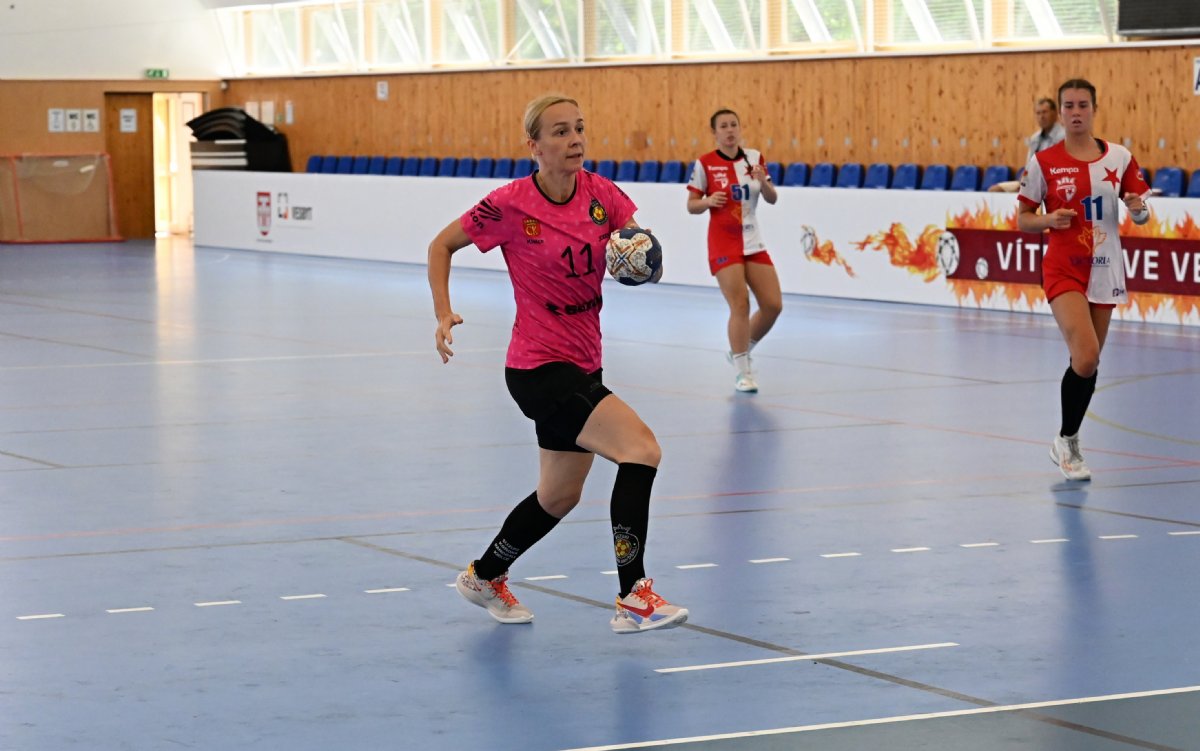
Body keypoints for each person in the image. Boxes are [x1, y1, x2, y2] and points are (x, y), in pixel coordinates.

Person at [427, 93, 688, 633]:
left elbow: (638, 249)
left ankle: (484, 575)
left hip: (585, 361)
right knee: (641, 450)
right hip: (538, 368)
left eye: (579, 129)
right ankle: (633, 595)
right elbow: (441, 246)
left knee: (558, 496)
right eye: (561, 132)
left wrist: (646, 264)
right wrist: (443, 312)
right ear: (535, 145)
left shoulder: (602, 194)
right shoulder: (509, 204)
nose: (575, 140)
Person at [1016, 78, 1150, 481]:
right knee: (1087, 354)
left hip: (1105, 268)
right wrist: (1048, 219)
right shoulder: (1043, 161)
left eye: (1083, 105)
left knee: (1086, 364)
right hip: (1064, 267)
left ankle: (1066, 439)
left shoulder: (1120, 157)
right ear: (1061, 112)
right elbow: (1023, 219)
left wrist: (1137, 209)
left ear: (1094, 109)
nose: (1076, 112)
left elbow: (1142, 213)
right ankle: (1069, 444)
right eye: (1069, 106)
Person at [686, 108, 781, 393]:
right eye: (723, 126)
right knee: (740, 304)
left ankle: (739, 349)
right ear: (714, 132)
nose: (729, 130)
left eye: (733, 125)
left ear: (740, 128)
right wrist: (707, 202)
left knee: (773, 305)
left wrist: (763, 180)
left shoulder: (754, 158)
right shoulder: (705, 163)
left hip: (753, 241)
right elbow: (691, 205)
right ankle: (743, 371)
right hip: (723, 242)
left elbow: (772, 198)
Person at [989, 97, 1067, 193]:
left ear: (1054, 113)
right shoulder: (1035, 138)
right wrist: (1024, 181)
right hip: (1032, 181)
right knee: (994, 189)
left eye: (1045, 112)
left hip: (1053, 181)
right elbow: (1029, 165)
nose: (1041, 116)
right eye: (1038, 113)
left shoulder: (1064, 136)